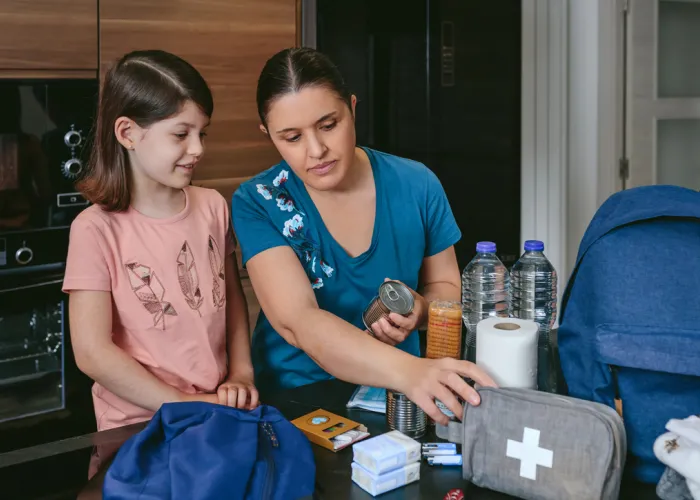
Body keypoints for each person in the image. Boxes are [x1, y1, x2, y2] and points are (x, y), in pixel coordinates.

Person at [231, 47, 496, 425]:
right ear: (268, 136)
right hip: (299, 396)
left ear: (352, 108)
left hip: (398, 395)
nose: (316, 150)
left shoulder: (417, 184)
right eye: (291, 137)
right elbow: (299, 321)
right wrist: (410, 372)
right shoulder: (259, 201)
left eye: (328, 125)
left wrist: (422, 310)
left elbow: (445, 284)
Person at [62, 50, 258, 477]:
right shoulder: (94, 229)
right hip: (135, 430)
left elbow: (233, 302)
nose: (197, 148)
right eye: (181, 134)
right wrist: (185, 403)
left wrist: (241, 373)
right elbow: (93, 353)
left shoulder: (212, 207)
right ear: (129, 133)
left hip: (214, 412)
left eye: (203, 133)